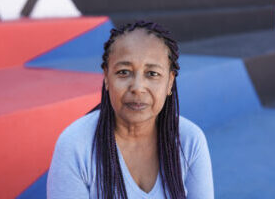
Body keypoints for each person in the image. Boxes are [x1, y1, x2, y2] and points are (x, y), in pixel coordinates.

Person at [47, 21, 214, 199]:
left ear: (170, 82)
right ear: (106, 77)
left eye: (152, 74)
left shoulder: (190, 140)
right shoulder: (75, 145)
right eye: (124, 72)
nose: (137, 87)